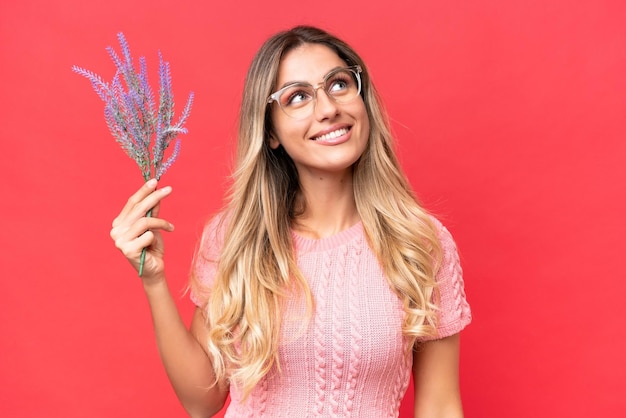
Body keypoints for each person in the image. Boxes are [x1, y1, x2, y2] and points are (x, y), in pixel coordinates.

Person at [111, 25, 471, 418]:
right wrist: (154, 281)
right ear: (271, 133)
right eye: (298, 97)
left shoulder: (421, 243)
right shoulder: (236, 237)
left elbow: (440, 406)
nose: (328, 108)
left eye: (338, 84)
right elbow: (202, 401)